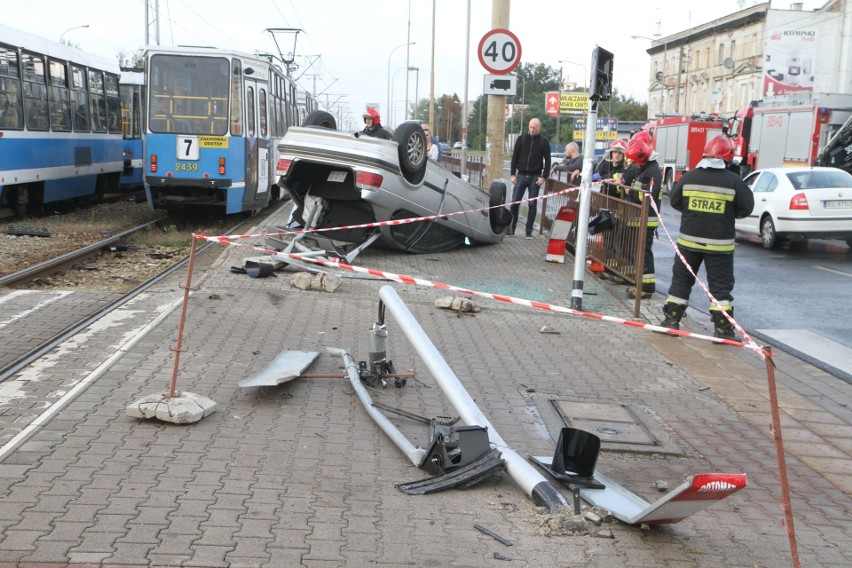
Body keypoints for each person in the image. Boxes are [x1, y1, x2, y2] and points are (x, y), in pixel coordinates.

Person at [660, 135, 755, 340]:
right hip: (720, 245)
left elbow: (675, 201)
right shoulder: (734, 181)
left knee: (681, 281)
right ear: (728, 157)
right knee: (720, 287)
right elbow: (746, 208)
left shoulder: (689, 177)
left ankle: (672, 321)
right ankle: (722, 329)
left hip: (688, 242)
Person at [623, 131, 663, 299]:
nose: (635, 165)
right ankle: (638, 282)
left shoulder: (652, 171)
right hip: (640, 218)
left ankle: (646, 287)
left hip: (647, 219)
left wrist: (630, 192)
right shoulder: (645, 168)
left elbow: (648, 195)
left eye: (636, 162)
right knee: (639, 253)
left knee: (644, 254)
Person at [509, 117, 551, 238]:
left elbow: (548, 161)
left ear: (539, 128)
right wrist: (512, 174)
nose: (532, 130)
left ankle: (528, 231)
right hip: (521, 175)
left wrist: (543, 177)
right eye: (530, 127)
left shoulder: (544, 142)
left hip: (535, 177)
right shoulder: (521, 139)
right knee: (514, 203)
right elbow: (514, 157)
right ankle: (511, 229)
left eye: (535, 127)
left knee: (532, 205)